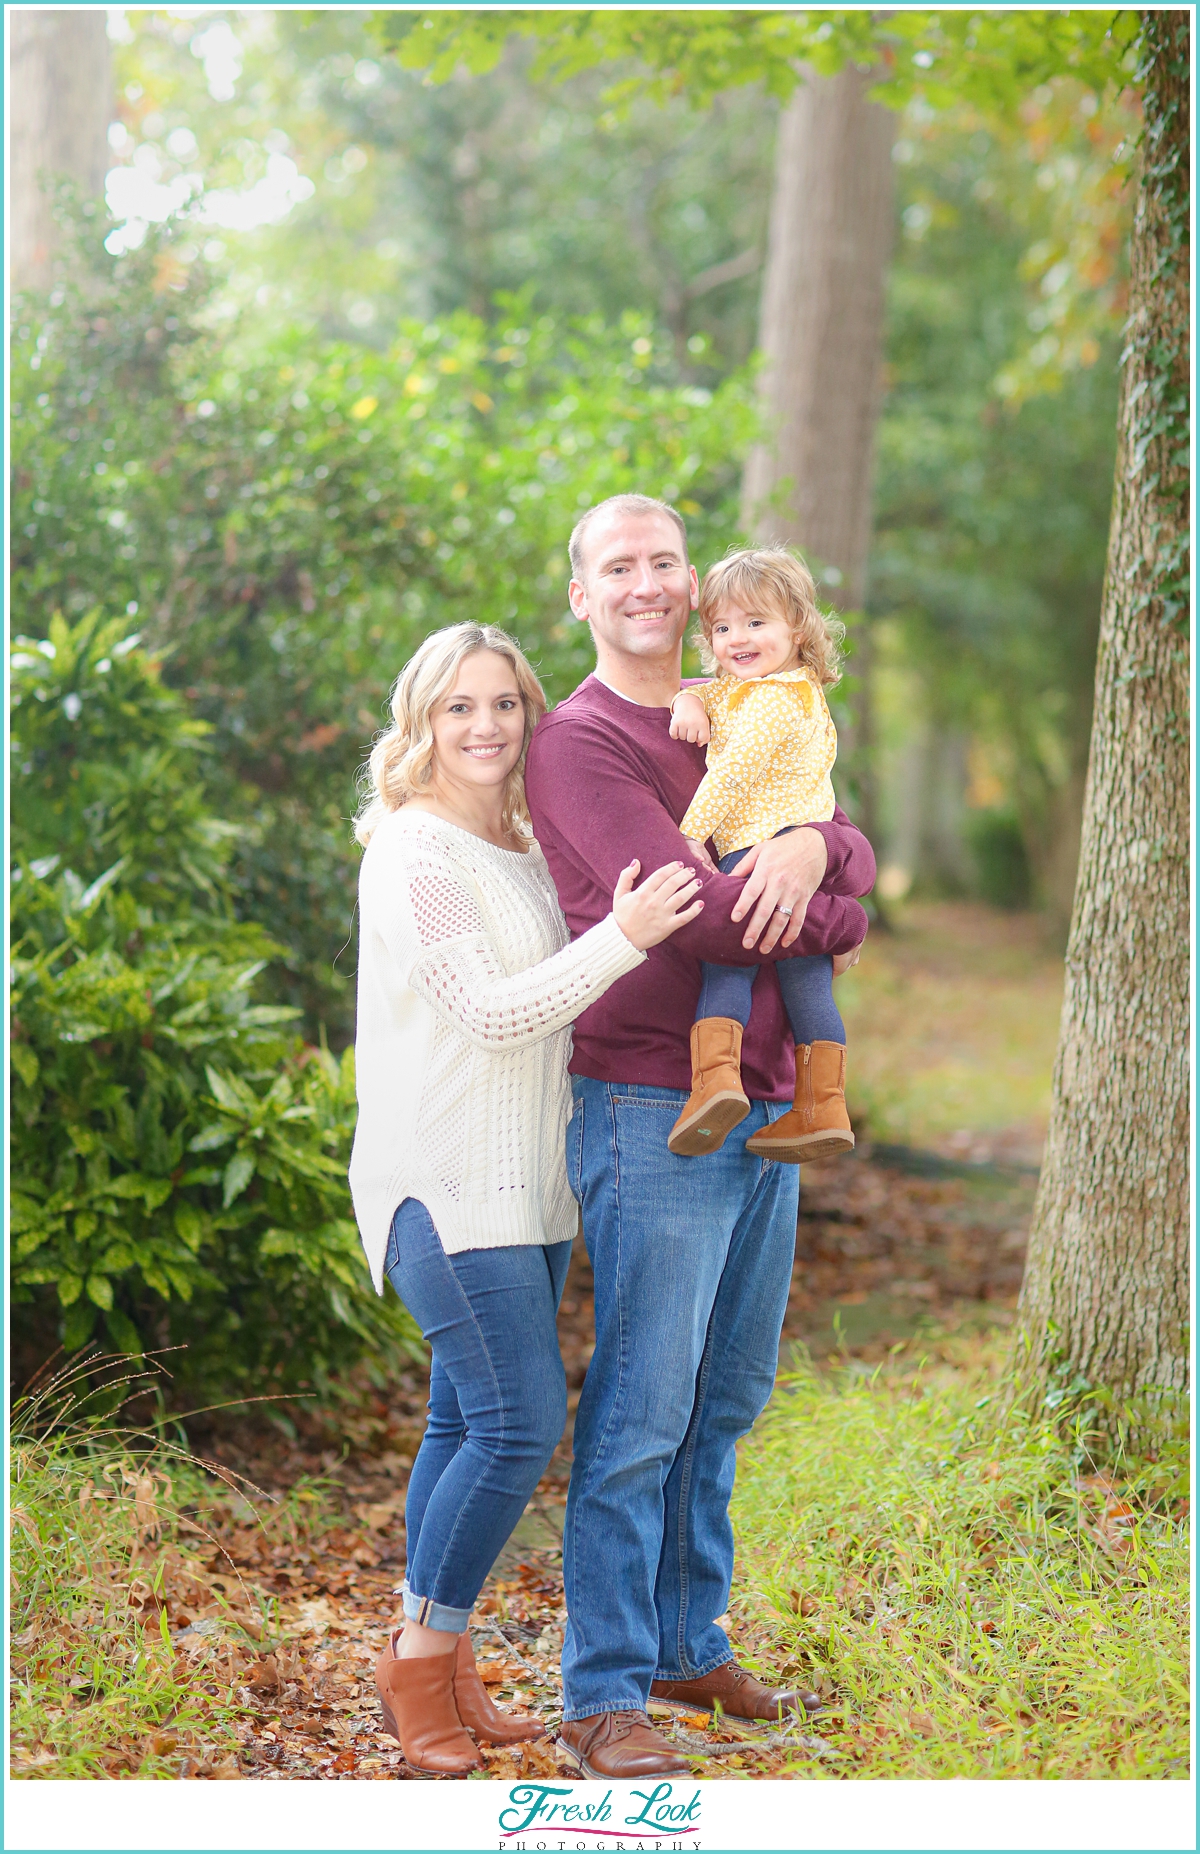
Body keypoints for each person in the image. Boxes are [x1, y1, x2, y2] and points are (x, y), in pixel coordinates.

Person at [523, 494, 874, 1780]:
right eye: (618, 566)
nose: (647, 585)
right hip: (650, 1103)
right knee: (644, 1403)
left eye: (665, 560)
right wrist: (818, 887)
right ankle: (604, 1686)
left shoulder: (744, 699)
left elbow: (848, 838)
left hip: (772, 1100)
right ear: (581, 595)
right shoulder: (576, 745)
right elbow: (711, 923)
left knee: (726, 1394)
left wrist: (821, 850)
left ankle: (684, 1640)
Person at [348, 621, 704, 1777]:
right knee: (518, 1424)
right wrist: (625, 936)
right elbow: (494, 1012)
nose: (486, 726)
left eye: (504, 703)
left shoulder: (510, 841)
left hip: (528, 1185)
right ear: (421, 722)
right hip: (442, 1185)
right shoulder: (413, 851)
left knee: (463, 1419)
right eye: (459, 707)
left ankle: (442, 1667)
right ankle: (420, 1659)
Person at [665, 544, 856, 1164]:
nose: (736, 639)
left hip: (754, 853)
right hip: (807, 871)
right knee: (808, 984)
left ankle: (715, 1083)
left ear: (797, 626)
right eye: (722, 627)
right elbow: (714, 695)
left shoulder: (772, 702)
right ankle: (823, 1107)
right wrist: (685, 700)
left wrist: (693, 834)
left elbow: (732, 773)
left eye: (755, 623)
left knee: (728, 968)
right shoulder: (771, 688)